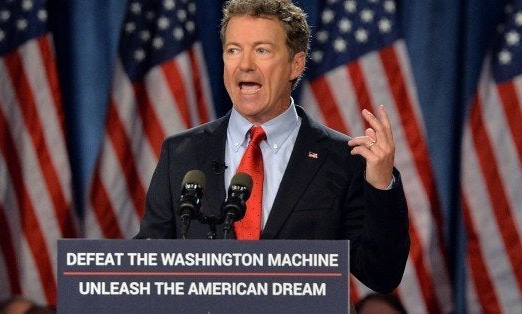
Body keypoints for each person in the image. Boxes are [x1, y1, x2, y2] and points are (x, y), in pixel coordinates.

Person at [135, 0, 409, 293]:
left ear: (296, 64)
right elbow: (149, 261)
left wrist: (381, 185)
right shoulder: (181, 153)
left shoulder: (342, 159)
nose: (245, 64)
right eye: (233, 50)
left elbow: (381, 274)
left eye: (262, 50)